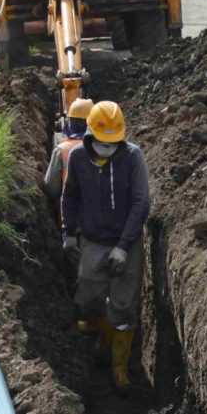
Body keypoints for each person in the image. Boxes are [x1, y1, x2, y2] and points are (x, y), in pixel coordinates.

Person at [62, 101, 151, 392]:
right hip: (93, 240)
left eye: (113, 143)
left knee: (124, 305)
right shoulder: (77, 158)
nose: (108, 148)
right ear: (90, 134)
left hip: (127, 242)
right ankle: (103, 332)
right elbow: (70, 194)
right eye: (103, 142)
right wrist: (68, 233)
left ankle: (120, 370)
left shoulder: (132, 157)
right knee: (88, 295)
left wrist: (124, 246)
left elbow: (140, 202)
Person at [44, 97, 94, 213]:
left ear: (70, 123)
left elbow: (52, 189)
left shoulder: (62, 150)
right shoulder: (109, 148)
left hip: (72, 219)